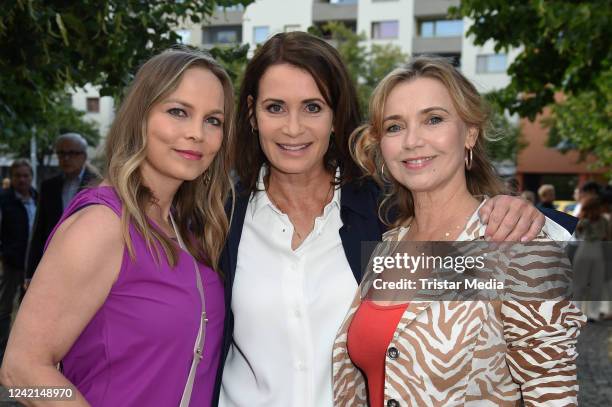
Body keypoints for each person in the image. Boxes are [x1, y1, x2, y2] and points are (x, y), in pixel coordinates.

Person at [215, 32, 556, 407]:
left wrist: (521, 212)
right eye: (275, 107)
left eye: (313, 107)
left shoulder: (385, 216)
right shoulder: (219, 219)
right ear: (252, 114)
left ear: (335, 117)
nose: (293, 128)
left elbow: (485, 258)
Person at [333, 57, 585, 406]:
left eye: (433, 119)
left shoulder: (516, 244)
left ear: (469, 132)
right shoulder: (388, 244)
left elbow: (553, 396)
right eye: (394, 126)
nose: (411, 140)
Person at [1, 47, 234, 406]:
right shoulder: (102, 225)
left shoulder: (188, 228)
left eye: (213, 120)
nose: (197, 133)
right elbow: (20, 372)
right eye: (178, 112)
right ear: (140, 117)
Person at [25, 133, 99, 282]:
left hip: (89, 262)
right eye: (61, 153)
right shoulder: (49, 186)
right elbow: (39, 229)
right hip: (54, 262)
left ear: (84, 156)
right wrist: (30, 273)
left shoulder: (98, 185)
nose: (66, 158)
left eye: (72, 153)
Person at [0, 159, 37, 361]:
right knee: (4, 308)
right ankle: (2, 353)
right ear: (12, 177)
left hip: (33, 266)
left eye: (26, 175)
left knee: (28, 309)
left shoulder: (37, 197)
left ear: (31, 177)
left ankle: (23, 354)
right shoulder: (4, 199)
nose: (22, 179)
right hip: (10, 264)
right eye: (18, 176)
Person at [573, 196, 609, 321]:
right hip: (584, 251)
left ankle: (593, 314)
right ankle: (576, 313)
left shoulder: (603, 220)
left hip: (597, 252)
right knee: (580, 285)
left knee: (596, 285)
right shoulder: (582, 220)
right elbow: (577, 235)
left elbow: (605, 237)